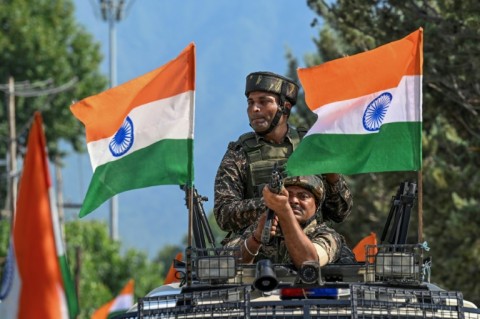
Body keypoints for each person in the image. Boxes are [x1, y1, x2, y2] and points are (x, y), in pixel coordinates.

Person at [214, 71, 353, 237]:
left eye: (263, 102)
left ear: (285, 107)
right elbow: (224, 215)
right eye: (250, 103)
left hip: (311, 245)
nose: (255, 109)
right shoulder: (239, 153)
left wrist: (333, 178)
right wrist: (271, 203)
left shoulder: (312, 147)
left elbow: (340, 213)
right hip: (256, 249)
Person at [224, 175, 350, 268]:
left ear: (316, 206)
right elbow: (225, 264)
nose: (294, 201)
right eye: (288, 195)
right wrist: (256, 239)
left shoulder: (328, 235)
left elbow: (309, 262)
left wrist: (284, 211)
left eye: (303, 196)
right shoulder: (263, 228)